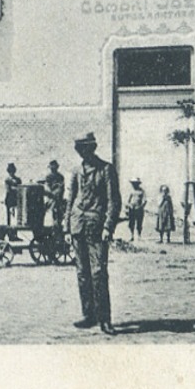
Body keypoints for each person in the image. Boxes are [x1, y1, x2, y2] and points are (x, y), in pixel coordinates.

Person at [66, 132, 121, 335]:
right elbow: (70, 200)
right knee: (82, 274)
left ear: (92, 148)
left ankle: (105, 319)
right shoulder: (75, 171)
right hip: (77, 226)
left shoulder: (106, 170)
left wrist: (108, 226)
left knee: (98, 273)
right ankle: (89, 314)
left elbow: (113, 201)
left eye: (85, 148)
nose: (82, 152)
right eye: (79, 148)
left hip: (97, 228)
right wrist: (66, 228)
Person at [43, 160, 66, 228]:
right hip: (51, 198)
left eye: (54, 167)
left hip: (58, 198)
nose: (53, 169)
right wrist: (53, 193)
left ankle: (57, 225)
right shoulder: (48, 176)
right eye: (52, 167)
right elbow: (47, 188)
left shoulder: (60, 176)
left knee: (59, 211)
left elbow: (61, 187)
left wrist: (57, 191)